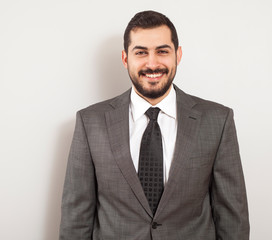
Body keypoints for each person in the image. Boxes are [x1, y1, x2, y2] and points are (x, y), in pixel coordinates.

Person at [59, 10, 249, 240]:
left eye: (162, 51)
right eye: (141, 52)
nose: (152, 63)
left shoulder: (218, 121)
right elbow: (75, 218)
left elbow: (233, 218)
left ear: (178, 55)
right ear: (125, 58)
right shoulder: (90, 122)